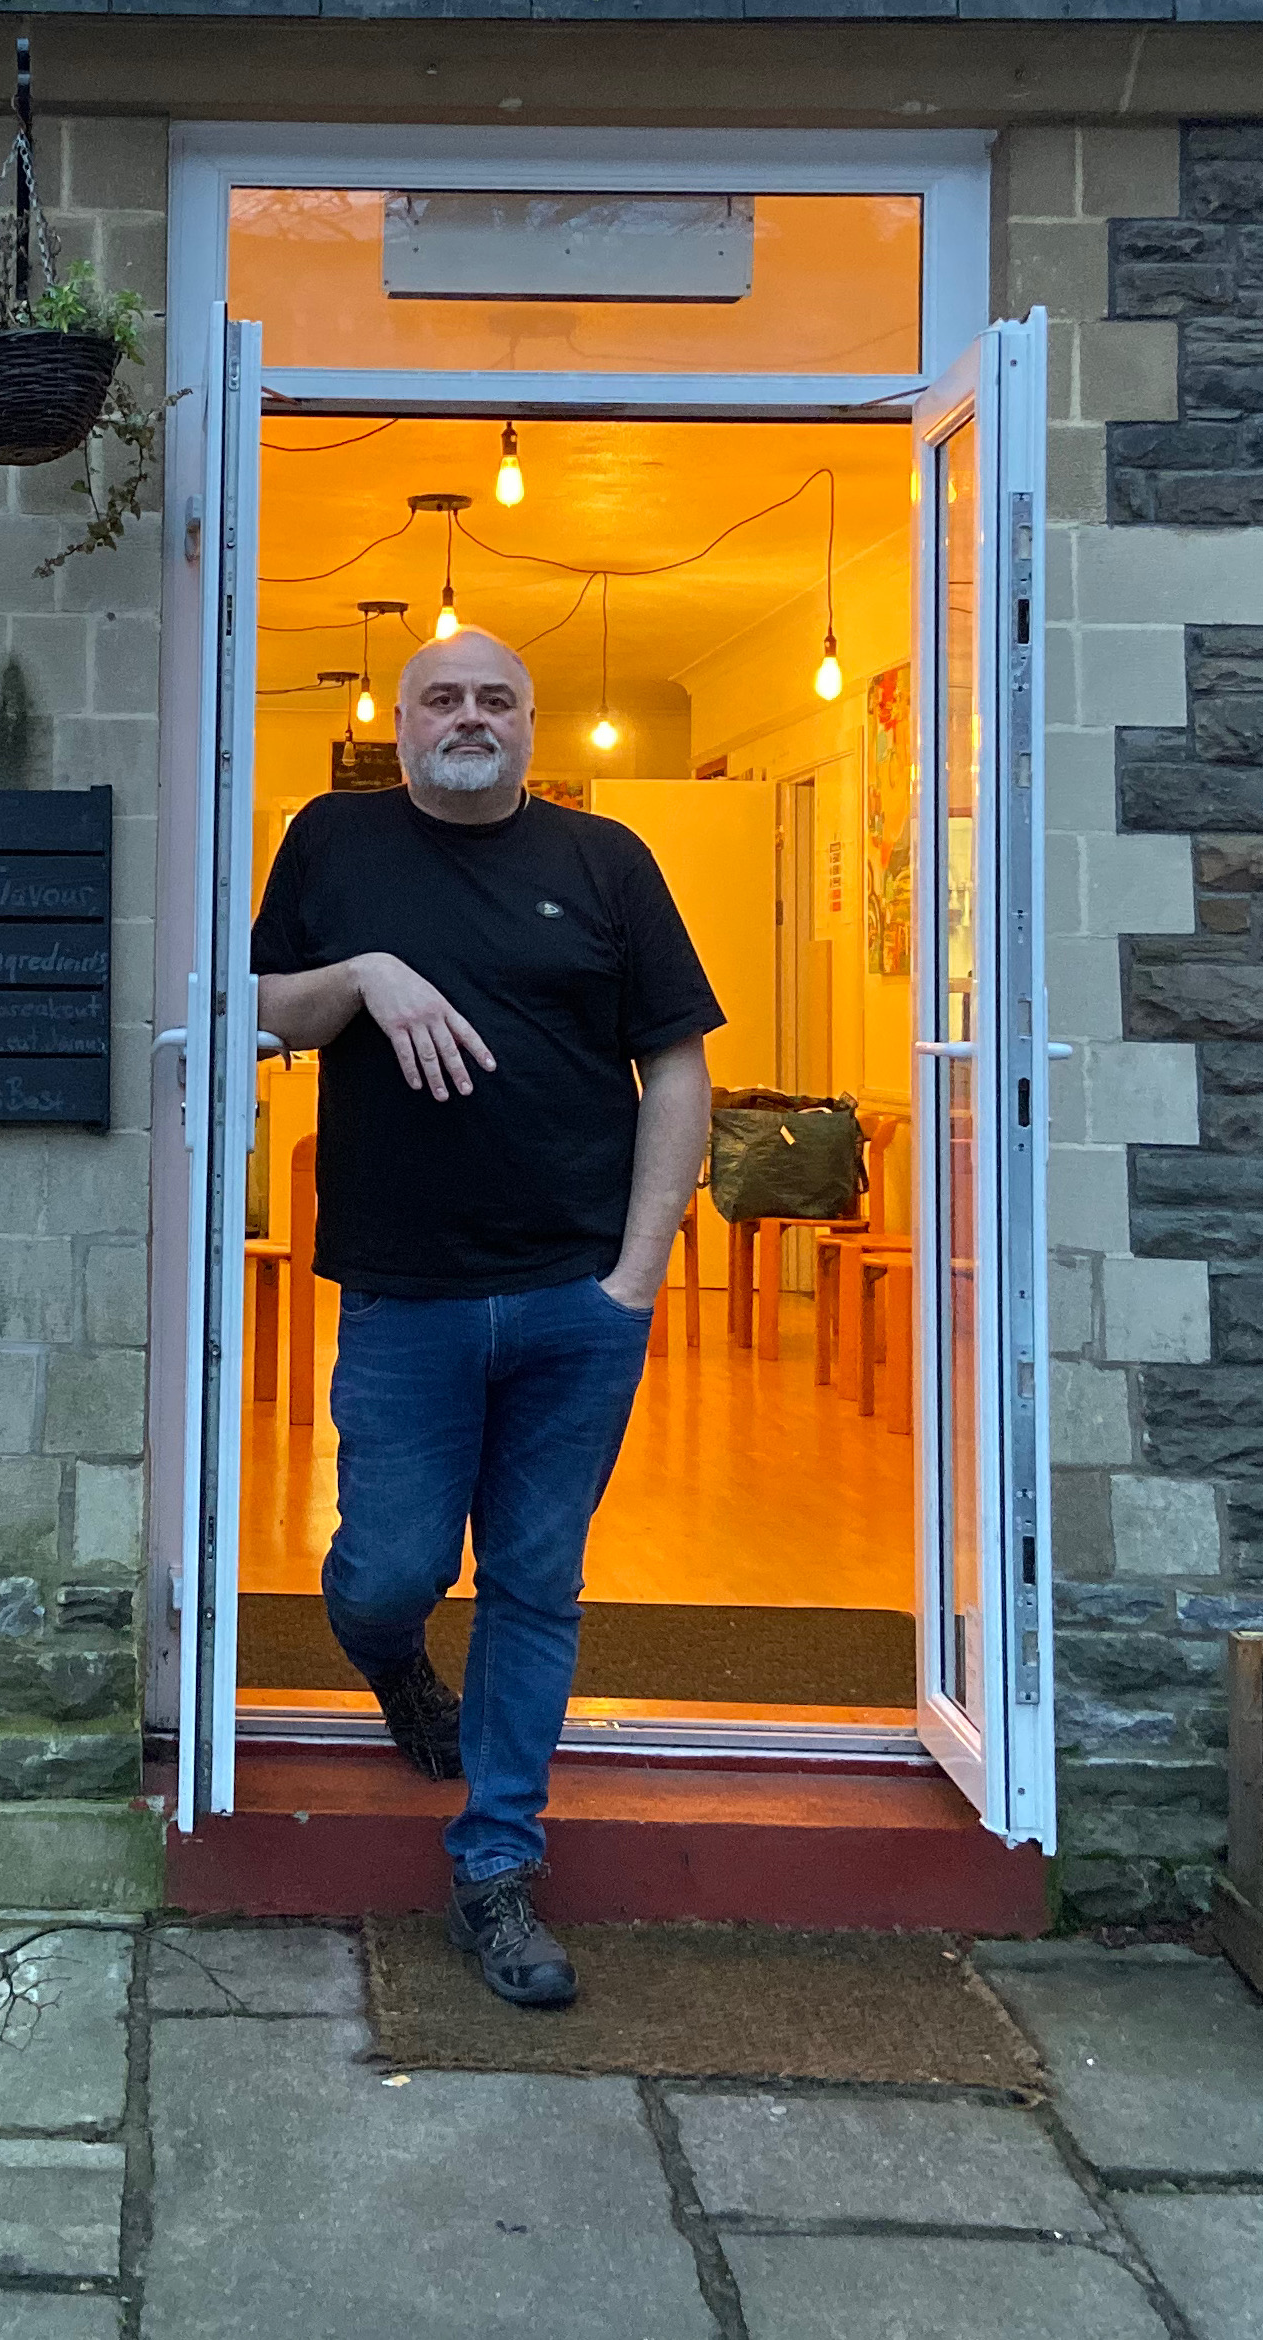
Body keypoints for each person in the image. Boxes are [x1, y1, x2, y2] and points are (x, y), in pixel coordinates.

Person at [249, 628, 717, 2009]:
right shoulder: (334, 842)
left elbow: (676, 1061)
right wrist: (366, 977)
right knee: (390, 1572)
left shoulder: (605, 861)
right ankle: (396, 1665)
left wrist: (637, 1272)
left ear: (532, 726)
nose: (470, 717)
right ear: (400, 722)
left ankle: (497, 1867)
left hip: (579, 1297)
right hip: (406, 1298)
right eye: (443, 697)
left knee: (535, 1581)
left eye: (495, 700)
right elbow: (244, 1011)